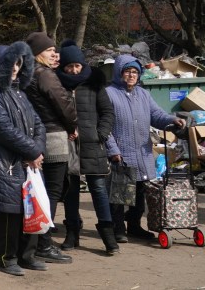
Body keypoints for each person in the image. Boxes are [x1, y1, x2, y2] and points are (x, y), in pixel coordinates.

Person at [0, 42, 47, 276]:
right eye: (9, 63)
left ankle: (27, 255)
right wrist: (33, 152)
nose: (14, 68)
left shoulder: (19, 92)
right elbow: (2, 129)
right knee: (8, 213)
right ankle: (5, 258)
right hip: (3, 164)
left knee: (29, 209)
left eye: (18, 63)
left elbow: (38, 124)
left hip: (24, 162)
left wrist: (37, 150)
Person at [104, 54, 186, 241]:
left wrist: (172, 119)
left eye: (135, 72)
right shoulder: (109, 93)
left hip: (142, 152)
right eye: (127, 71)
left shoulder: (143, 94)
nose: (132, 75)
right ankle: (118, 229)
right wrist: (113, 150)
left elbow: (157, 115)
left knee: (140, 191)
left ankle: (134, 226)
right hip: (121, 151)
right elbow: (104, 127)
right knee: (120, 192)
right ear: (119, 72)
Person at [55, 42, 118, 255]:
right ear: (62, 67)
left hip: (93, 145)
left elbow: (108, 112)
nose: (73, 70)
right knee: (71, 191)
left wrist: (100, 134)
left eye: (77, 66)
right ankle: (72, 232)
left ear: (83, 65)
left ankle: (108, 235)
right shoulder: (57, 85)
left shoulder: (94, 84)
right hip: (68, 145)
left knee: (99, 190)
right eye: (69, 67)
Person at [24, 32, 76, 264]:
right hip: (53, 134)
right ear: (37, 54)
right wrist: (72, 125)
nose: (54, 53)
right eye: (49, 50)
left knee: (39, 191)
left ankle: (34, 241)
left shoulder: (26, 75)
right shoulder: (44, 74)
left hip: (35, 135)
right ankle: (44, 243)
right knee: (51, 192)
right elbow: (62, 102)